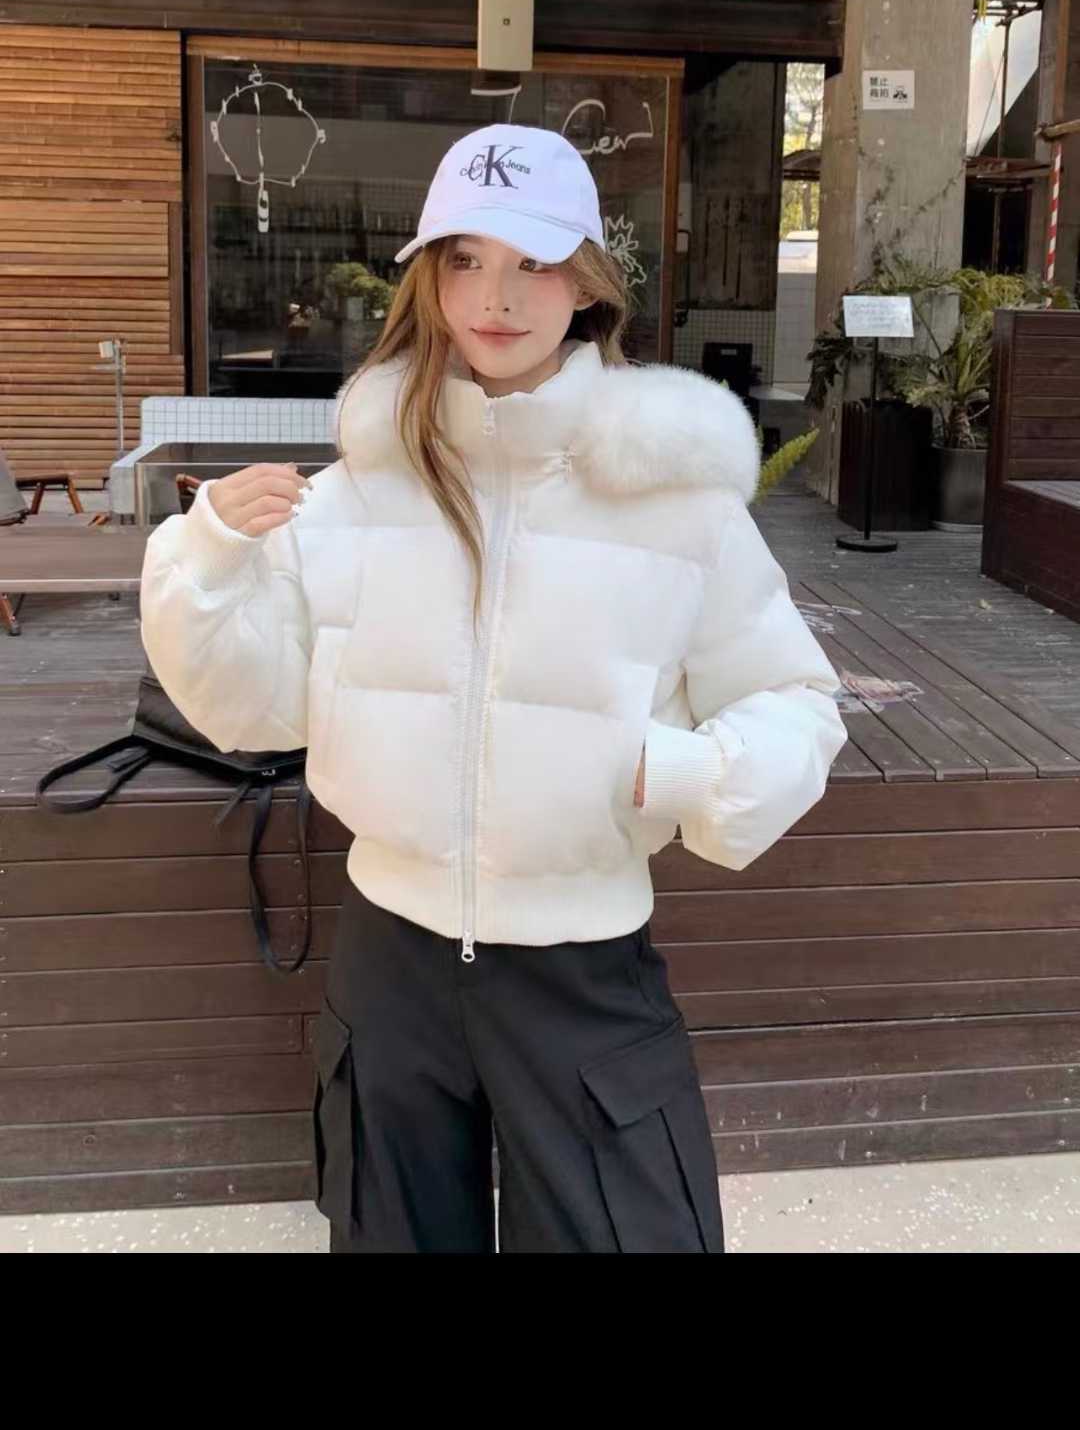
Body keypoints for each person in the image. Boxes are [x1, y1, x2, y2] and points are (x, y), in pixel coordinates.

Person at [139, 124, 848, 1254]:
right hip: (391, 954)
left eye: (532, 261)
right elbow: (253, 705)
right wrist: (208, 560)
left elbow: (796, 700)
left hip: (583, 965)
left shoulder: (675, 500)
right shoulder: (360, 491)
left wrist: (674, 771)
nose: (494, 296)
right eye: (463, 259)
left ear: (587, 281)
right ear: (428, 277)